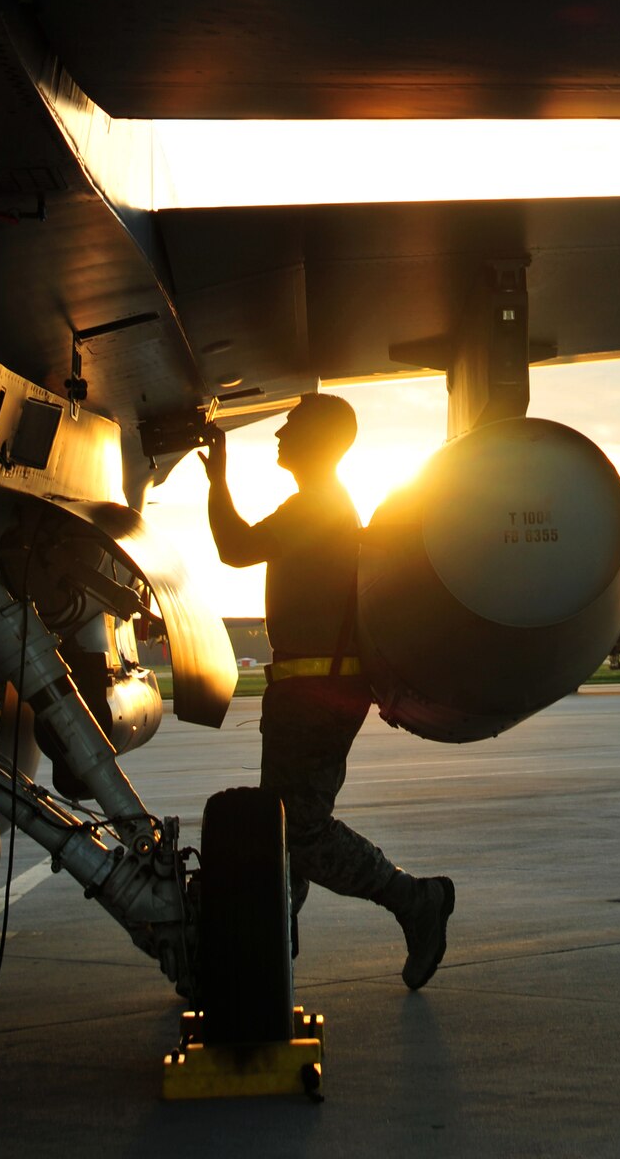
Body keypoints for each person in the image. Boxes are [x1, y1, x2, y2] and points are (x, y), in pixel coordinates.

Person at [200, 393, 454, 989]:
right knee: (284, 825)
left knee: (298, 830)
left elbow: (234, 548)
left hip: (317, 692)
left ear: (319, 441)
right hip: (306, 690)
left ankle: (415, 899)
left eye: (291, 428)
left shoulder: (316, 506)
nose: (279, 437)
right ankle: (267, 950)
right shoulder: (319, 505)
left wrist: (217, 476)